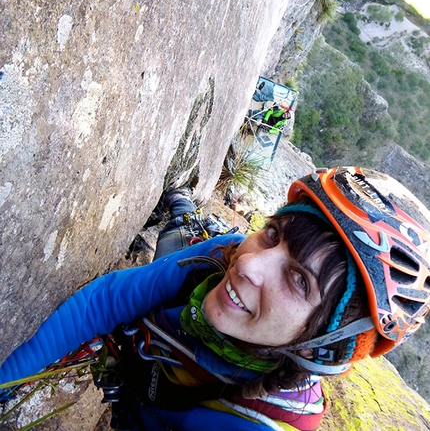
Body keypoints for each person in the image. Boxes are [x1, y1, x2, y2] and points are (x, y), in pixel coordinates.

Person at [1, 167, 430, 431]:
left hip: (144, 399)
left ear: (327, 344)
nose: (249, 264)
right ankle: (183, 210)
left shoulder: (262, 421)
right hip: (143, 356)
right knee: (182, 248)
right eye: (273, 234)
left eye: (299, 280)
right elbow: (106, 301)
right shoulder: (221, 256)